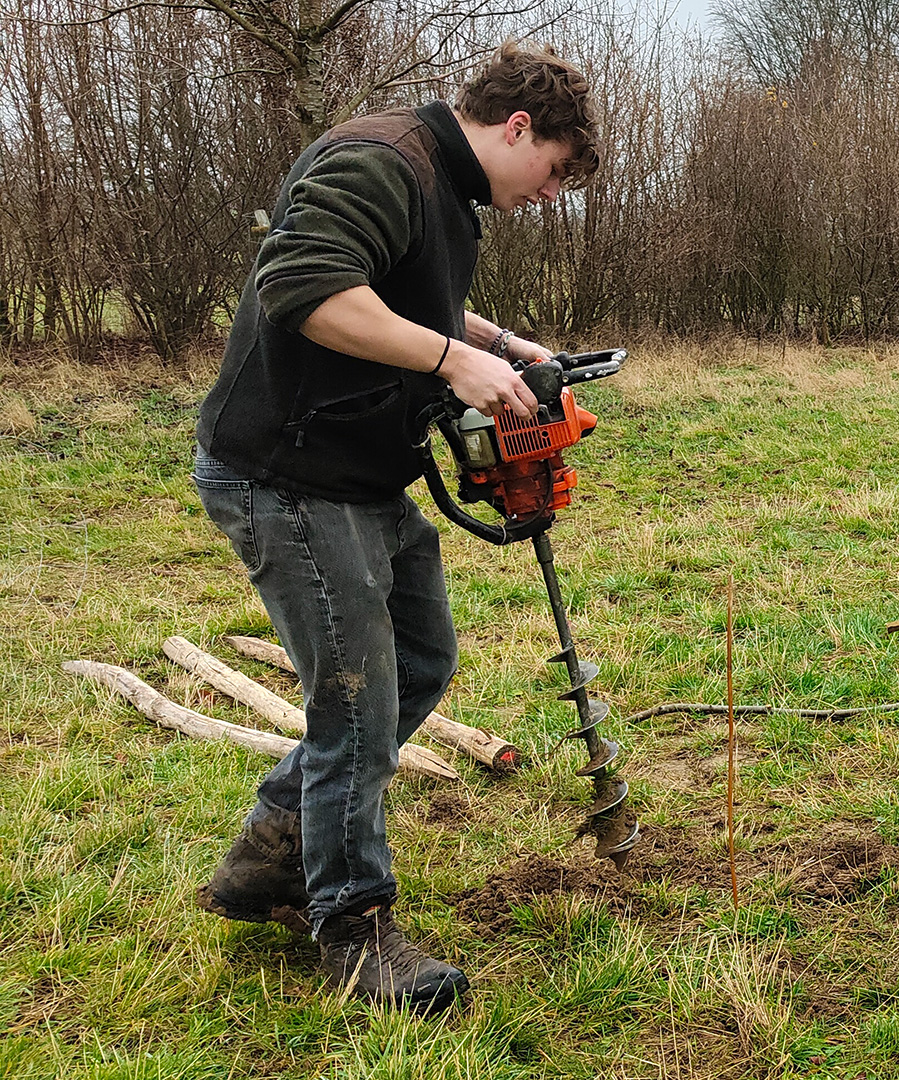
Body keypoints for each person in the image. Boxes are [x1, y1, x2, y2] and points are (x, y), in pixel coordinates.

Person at [191, 42, 600, 1014]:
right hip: (286, 475)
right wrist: (456, 360)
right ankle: (354, 927)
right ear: (516, 130)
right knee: (360, 701)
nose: (548, 197)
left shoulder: (440, 189)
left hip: (360, 475)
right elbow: (308, 290)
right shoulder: (380, 161)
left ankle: (270, 854)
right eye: (552, 172)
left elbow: (404, 296)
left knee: (419, 662)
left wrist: (497, 342)